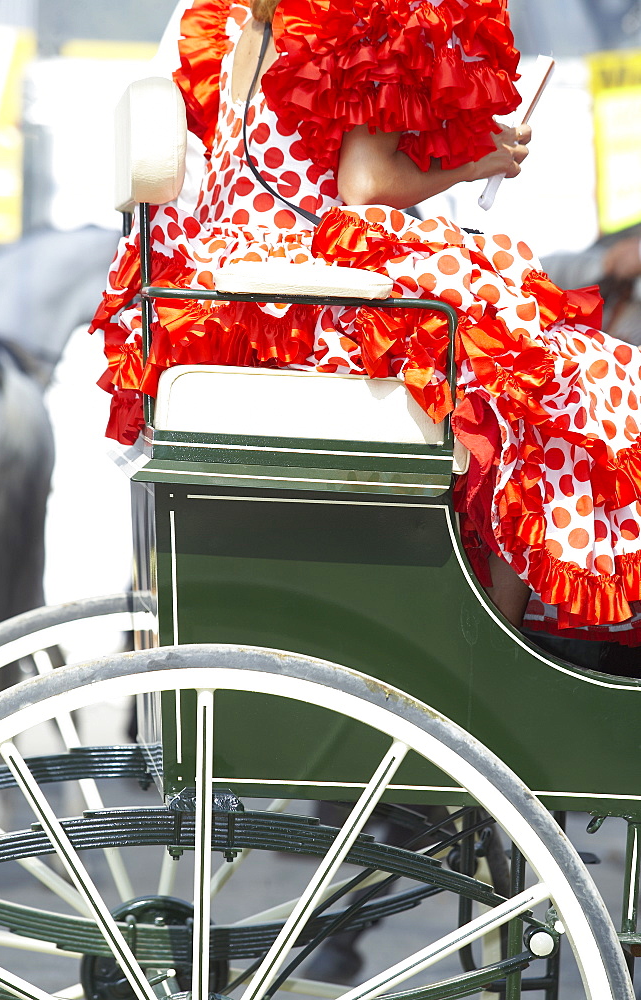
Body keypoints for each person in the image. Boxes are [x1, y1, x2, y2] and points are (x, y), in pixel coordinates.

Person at [91, 0, 641, 650]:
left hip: (222, 288)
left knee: (509, 343)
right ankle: (491, 647)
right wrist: (479, 162)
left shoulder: (237, 21)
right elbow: (363, 185)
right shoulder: (359, 20)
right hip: (303, 285)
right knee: (554, 380)